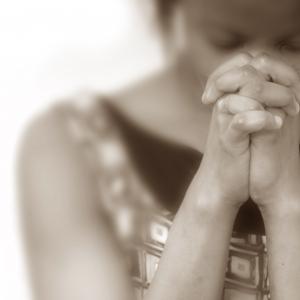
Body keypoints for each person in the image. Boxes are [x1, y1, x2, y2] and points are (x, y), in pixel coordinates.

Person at [18, 0, 300, 299]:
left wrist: (285, 202)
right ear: (172, 15)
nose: (257, 69)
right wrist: (213, 194)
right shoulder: (73, 145)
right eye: (225, 41)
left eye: (294, 44)